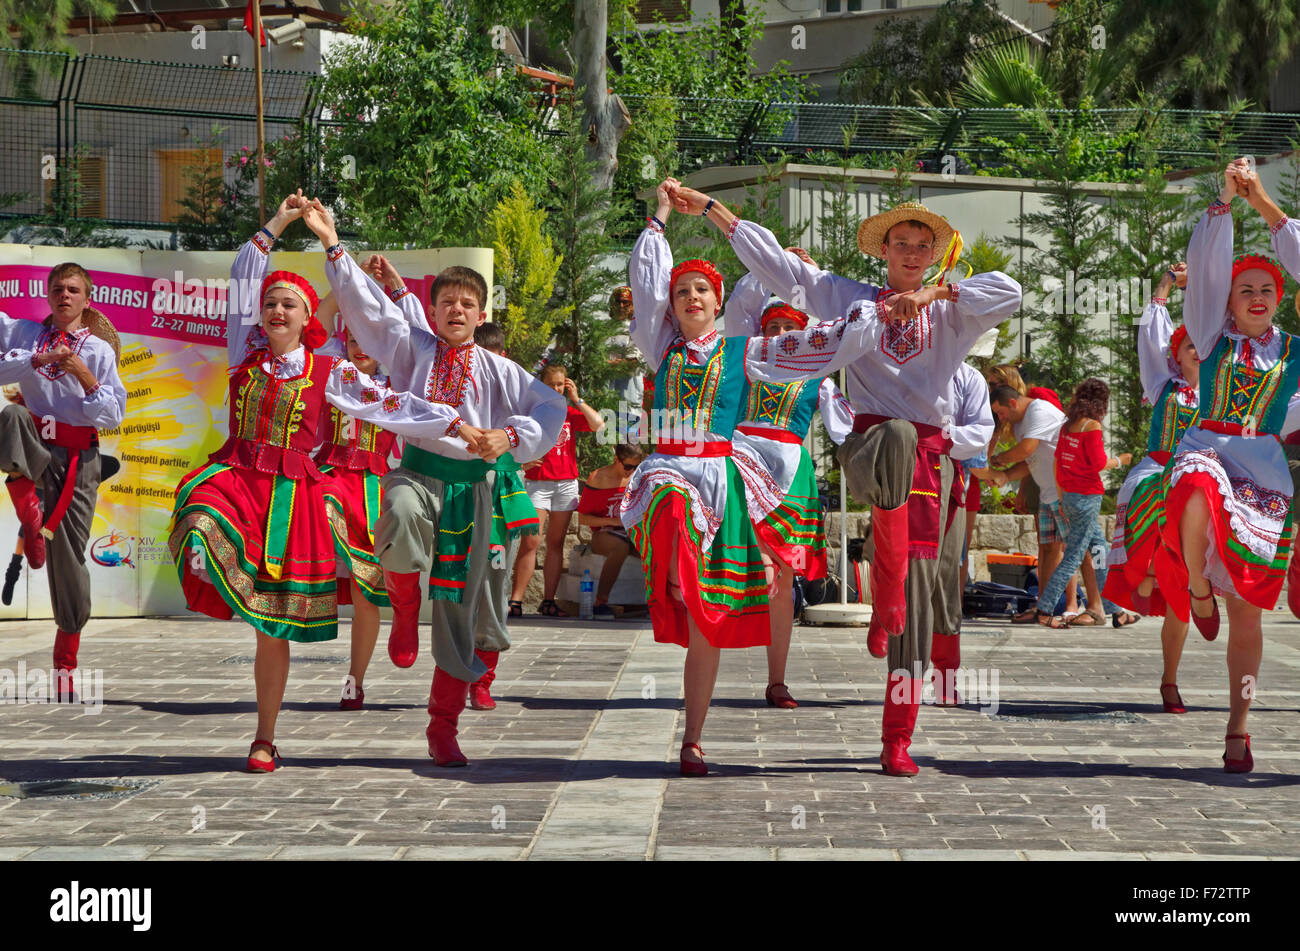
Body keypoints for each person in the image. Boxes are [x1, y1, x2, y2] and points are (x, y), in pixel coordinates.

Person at [666, 182, 1021, 776]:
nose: (910, 253)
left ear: (933, 256)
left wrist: (937, 293)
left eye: (921, 246)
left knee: (916, 615)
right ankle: (886, 596)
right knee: (900, 437)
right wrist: (712, 212)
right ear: (883, 251)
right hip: (870, 448)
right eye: (900, 243)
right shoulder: (851, 298)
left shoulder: (952, 310)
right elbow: (783, 269)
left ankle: (896, 736)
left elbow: (1010, 290)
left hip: (928, 472)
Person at [169, 192, 465, 772]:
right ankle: (213, 565)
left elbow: (395, 404)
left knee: (270, 624)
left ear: (311, 319)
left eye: (289, 305)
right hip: (238, 481)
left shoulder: (330, 370)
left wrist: (457, 426)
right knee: (197, 513)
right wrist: (280, 221)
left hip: (292, 498)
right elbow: (242, 275)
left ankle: (264, 737)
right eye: (271, 304)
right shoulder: (243, 351)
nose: (277, 311)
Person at [310, 200, 566, 768]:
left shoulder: (502, 369)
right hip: (419, 473)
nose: (457, 309)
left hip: (474, 495)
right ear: (432, 310)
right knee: (397, 513)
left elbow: (550, 407)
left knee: (460, 607)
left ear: (480, 315)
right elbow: (367, 311)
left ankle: (443, 725)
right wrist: (332, 243)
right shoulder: (412, 348)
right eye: (447, 301)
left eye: (468, 303)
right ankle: (403, 603)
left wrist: (511, 437)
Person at [1154, 158, 1300, 773]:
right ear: (1228, 303)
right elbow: (1209, 272)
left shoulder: (1294, 352)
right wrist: (1225, 205)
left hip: (1264, 471)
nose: (1259, 297)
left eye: (1268, 289)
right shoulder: (1210, 338)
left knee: (1248, 612)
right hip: (1207, 448)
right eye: (1247, 290)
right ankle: (1192, 584)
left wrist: (1266, 203)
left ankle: (1239, 728)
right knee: (1193, 482)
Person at [721, 270, 855, 708]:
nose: (780, 334)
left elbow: (844, 429)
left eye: (789, 328)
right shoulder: (746, 365)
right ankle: (703, 668)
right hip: (741, 464)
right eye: (773, 327)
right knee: (729, 567)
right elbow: (738, 305)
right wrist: (768, 269)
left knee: (780, 575)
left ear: (803, 334)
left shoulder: (819, 378)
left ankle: (777, 679)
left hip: (791, 474)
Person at [0, 263, 126, 702]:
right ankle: (30, 515)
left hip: (79, 458)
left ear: (87, 300)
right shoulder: (24, 335)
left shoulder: (98, 353)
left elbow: (112, 417)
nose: (64, 295)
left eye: (73, 290)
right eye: (57, 289)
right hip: (36, 445)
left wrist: (83, 375)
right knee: (12, 415)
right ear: (48, 295)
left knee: (69, 560)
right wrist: (35, 359)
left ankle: (65, 664)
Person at [1103, 263, 1199, 712]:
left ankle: (1170, 679)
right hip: (1158, 474)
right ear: (1175, 355)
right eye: (1189, 346)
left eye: (1205, 348)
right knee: (1158, 490)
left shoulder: (1226, 395)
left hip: (1200, 486)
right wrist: (1165, 284)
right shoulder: (1163, 386)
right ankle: (1150, 567)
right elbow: (1151, 334)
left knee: (1182, 606)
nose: (1198, 353)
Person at [466, 320, 541, 710]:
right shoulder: (454, 390)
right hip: (458, 496)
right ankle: (453, 674)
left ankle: (483, 679)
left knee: (494, 586)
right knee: (456, 588)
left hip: (500, 498)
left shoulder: (520, 395)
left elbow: (546, 422)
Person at [1033, 379, 1131, 628]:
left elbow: (1058, 462)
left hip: (1069, 497)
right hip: (1087, 498)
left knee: (1099, 551)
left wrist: (1062, 496)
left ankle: (1114, 609)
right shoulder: (1092, 427)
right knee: (1074, 556)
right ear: (1101, 402)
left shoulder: (1067, 427)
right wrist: (1121, 460)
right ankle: (1044, 607)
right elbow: (1099, 464)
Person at [511, 364, 605, 617]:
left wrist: (577, 399)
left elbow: (598, 424)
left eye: (560, 384)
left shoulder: (569, 412)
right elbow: (511, 437)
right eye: (551, 384)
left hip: (565, 483)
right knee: (531, 540)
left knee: (556, 543)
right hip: (538, 482)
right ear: (541, 384)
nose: (556, 389)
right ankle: (516, 601)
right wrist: (520, 462)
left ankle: (548, 601)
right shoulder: (532, 411)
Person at [931, 362, 994, 705]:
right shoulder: (899, 360)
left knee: (944, 576)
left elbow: (978, 437)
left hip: (946, 478)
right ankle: (902, 675)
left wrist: (936, 437)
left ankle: (944, 677)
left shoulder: (968, 378)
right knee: (904, 572)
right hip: (902, 474)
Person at [987, 388, 1071, 624]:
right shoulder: (1021, 423)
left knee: (1073, 550)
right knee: (1046, 550)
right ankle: (1043, 606)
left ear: (1013, 403)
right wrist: (1004, 476)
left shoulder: (1039, 410)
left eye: (1001, 412)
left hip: (1065, 491)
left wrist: (997, 460)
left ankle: (1088, 607)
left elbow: (1026, 450)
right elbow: (1029, 462)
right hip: (1048, 493)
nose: (1001, 418)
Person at [576, 443, 645, 619]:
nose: (631, 471)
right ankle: (601, 602)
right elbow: (582, 518)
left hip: (630, 531)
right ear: (616, 460)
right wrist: (612, 521)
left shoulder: (637, 478)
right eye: (628, 466)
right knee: (619, 547)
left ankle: (662, 601)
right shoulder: (599, 478)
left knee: (657, 547)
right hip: (604, 532)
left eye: (636, 467)